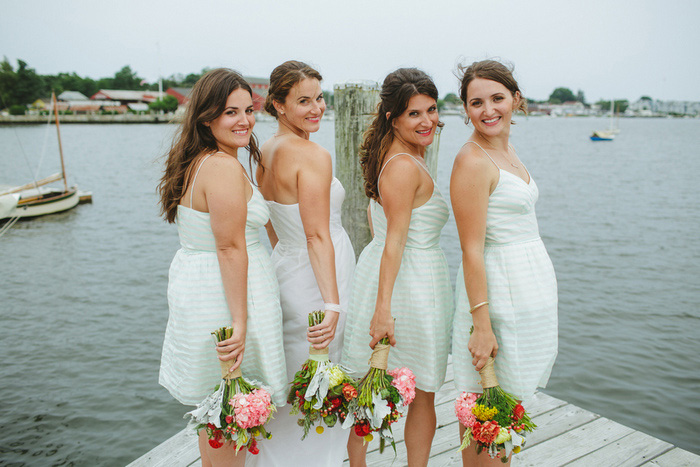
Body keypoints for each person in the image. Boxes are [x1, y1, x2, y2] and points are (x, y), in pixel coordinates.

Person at [157, 69, 288, 467]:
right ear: (207, 117)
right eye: (231, 112)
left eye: (249, 110)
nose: (244, 120)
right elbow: (230, 247)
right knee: (231, 412)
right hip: (225, 296)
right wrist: (240, 323)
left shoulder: (202, 160)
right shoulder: (222, 166)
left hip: (203, 288)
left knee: (218, 416)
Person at [341, 68, 453, 466]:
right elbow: (394, 241)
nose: (428, 121)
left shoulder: (395, 155)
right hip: (411, 284)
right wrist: (383, 309)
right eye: (414, 114)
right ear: (393, 118)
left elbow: (378, 226)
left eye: (432, 110)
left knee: (377, 386)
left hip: (404, 276)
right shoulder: (404, 165)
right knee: (416, 390)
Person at [450, 59, 558, 466]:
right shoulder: (472, 161)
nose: (488, 110)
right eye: (476, 102)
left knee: (506, 421)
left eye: (497, 98)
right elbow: (471, 249)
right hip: (495, 301)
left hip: (527, 295)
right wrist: (482, 325)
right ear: (465, 109)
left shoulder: (506, 150)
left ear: (516, 99)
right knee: (486, 416)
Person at [249, 60, 356, 466]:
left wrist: (288, 259)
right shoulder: (313, 154)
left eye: (319, 98)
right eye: (303, 101)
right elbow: (316, 235)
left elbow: (275, 226)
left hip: (285, 269)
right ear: (277, 104)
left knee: (291, 378)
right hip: (320, 277)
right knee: (319, 378)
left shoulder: (264, 152)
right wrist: (332, 303)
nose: (317, 108)